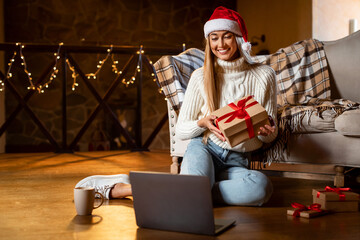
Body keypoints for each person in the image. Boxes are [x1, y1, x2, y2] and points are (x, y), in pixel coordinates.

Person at [75, 6, 277, 206]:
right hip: (205, 149)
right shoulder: (201, 76)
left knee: (260, 188)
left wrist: (265, 132)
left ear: (239, 39)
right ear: (209, 42)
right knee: (199, 185)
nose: (220, 44)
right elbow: (181, 129)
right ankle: (122, 189)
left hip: (237, 160)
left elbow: (268, 134)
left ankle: (190, 188)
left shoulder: (264, 76)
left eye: (227, 36)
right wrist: (202, 123)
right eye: (214, 37)